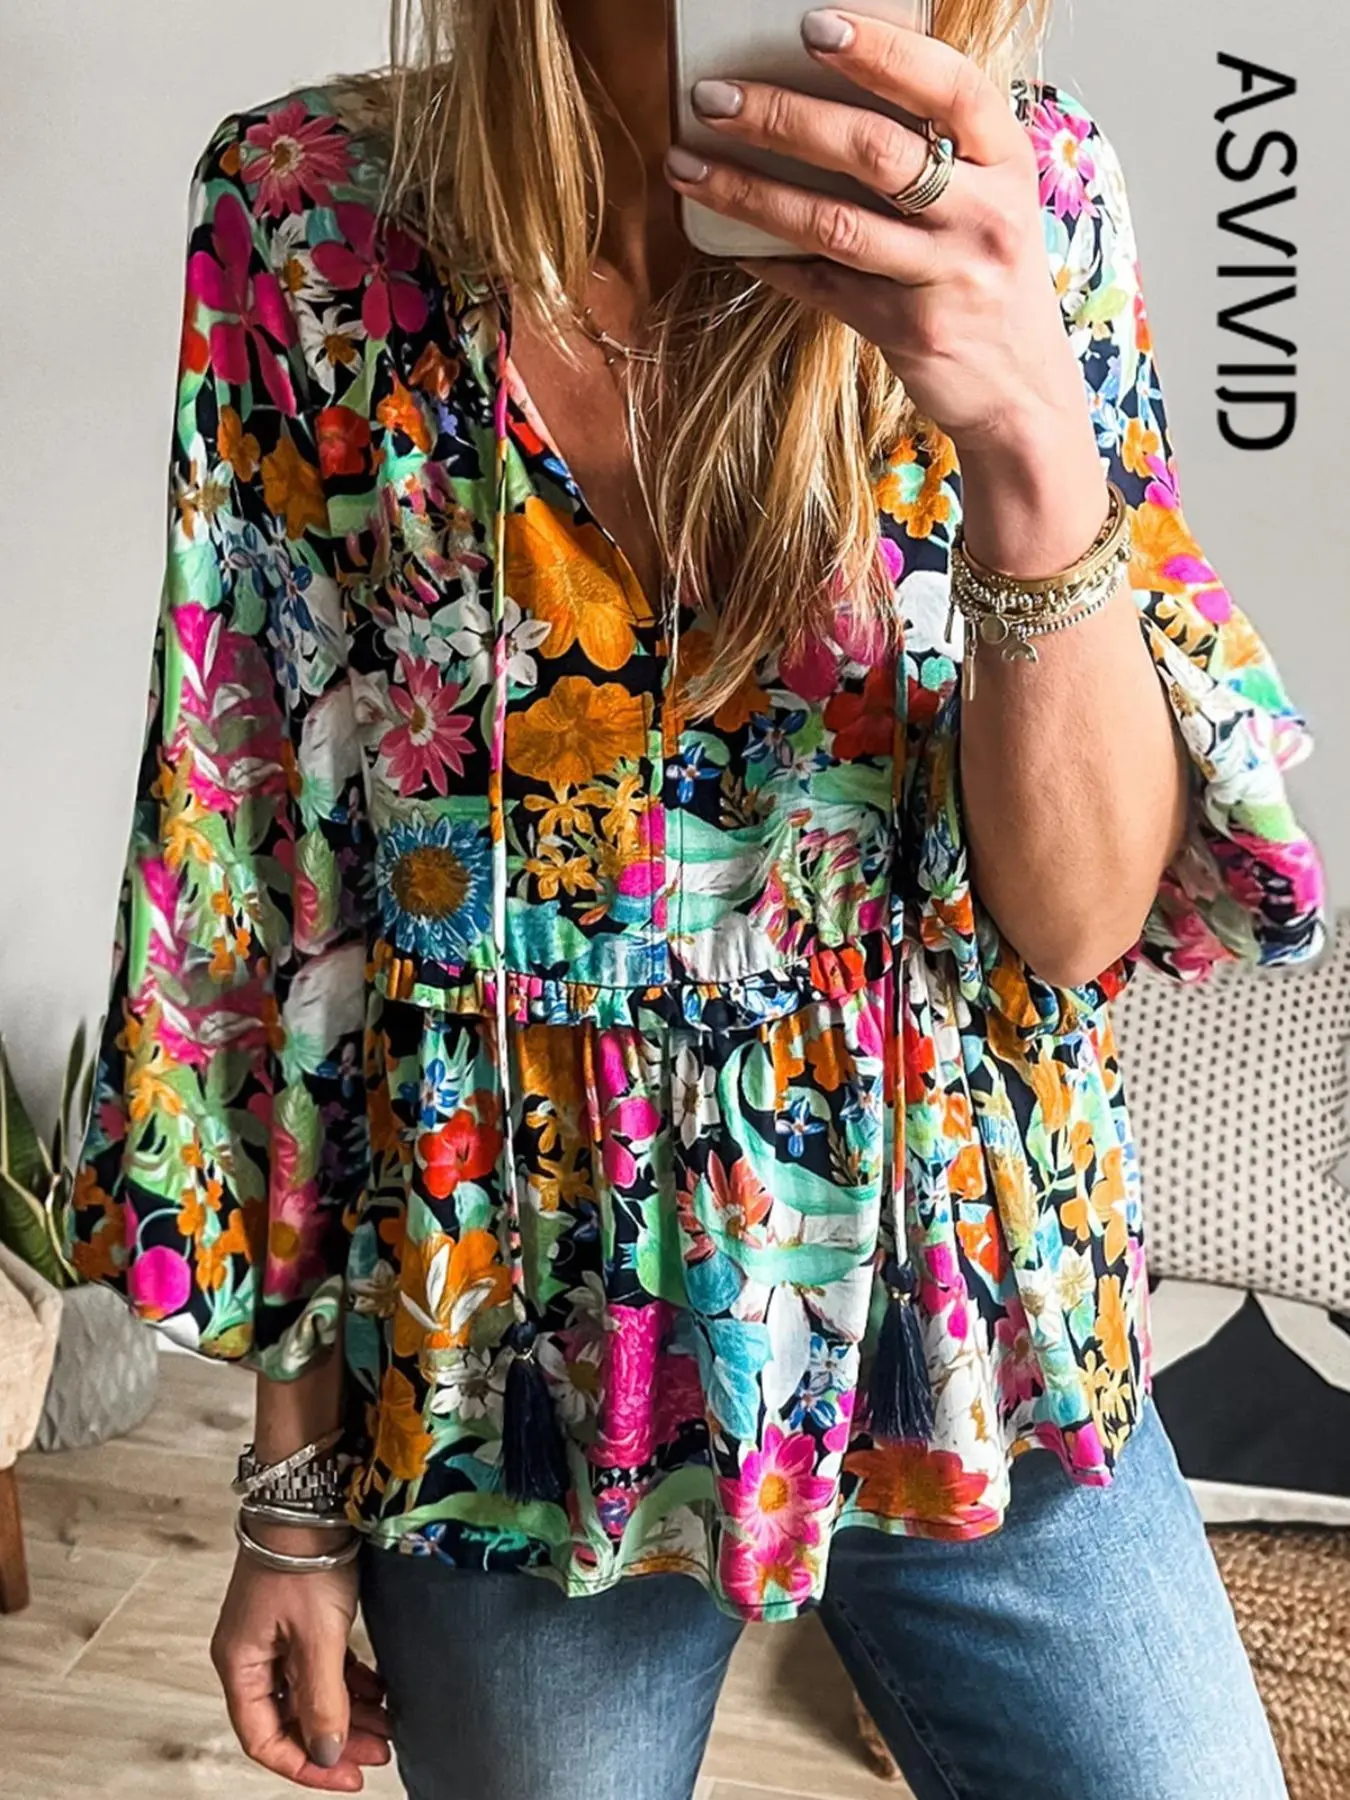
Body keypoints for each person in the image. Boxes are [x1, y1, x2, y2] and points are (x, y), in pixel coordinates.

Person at [65, 2, 1325, 1796]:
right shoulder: (308, 211)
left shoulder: (1023, 192)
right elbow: (284, 873)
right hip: (518, 1351)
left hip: (971, 1307)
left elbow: (1071, 928)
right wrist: (290, 1489)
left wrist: (1030, 443)